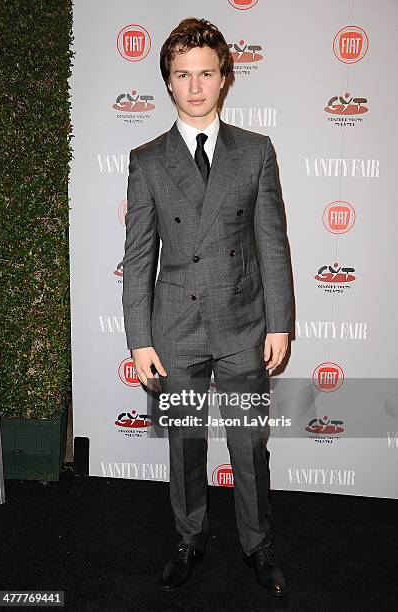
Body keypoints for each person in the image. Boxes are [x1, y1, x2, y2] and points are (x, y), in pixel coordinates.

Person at [122, 17, 293, 597]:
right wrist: (139, 338)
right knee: (185, 445)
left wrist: (280, 323)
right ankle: (189, 537)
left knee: (249, 445)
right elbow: (139, 254)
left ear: (225, 79)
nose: (194, 86)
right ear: (168, 82)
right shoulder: (147, 160)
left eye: (205, 74)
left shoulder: (256, 152)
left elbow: (272, 243)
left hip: (244, 325)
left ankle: (257, 542)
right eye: (181, 75)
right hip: (176, 330)